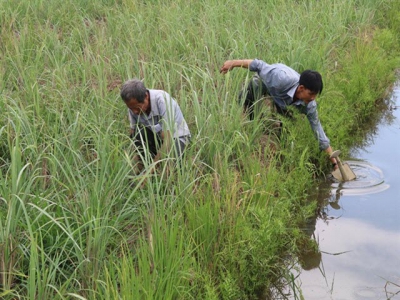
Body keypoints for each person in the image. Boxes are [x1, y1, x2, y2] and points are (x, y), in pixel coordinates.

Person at [220, 59, 338, 169]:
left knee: (287, 129)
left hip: (284, 101)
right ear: (301, 88)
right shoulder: (281, 78)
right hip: (266, 84)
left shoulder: (309, 105)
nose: (313, 98)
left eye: (315, 95)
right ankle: (251, 126)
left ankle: (280, 158)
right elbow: (258, 64)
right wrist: (233, 63)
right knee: (249, 95)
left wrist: (334, 161)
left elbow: (317, 129)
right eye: (311, 94)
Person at [120, 79, 191, 173]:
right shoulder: (133, 108)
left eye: (137, 108)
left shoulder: (162, 100)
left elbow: (168, 141)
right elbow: (133, 134)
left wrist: (149, 172)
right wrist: (132, 163)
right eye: (130, 108)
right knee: (140, 135)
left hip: (176, 138)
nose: (134, 112)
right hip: (156, 137)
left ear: (146, 97)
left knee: (167, 168)